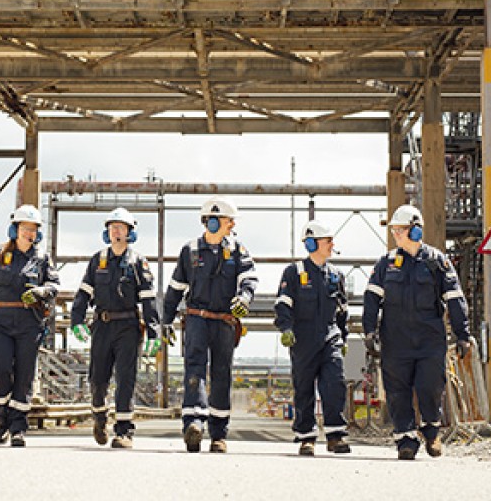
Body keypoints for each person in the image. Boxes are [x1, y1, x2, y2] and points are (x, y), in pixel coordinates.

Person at [362, 204, 472, 460]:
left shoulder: (437, 262)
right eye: (394, 230)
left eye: (400, 230)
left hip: (429, 340)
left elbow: (455, 298)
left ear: (415, 231)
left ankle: (432, 431)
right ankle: (406, 439)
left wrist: (462, 334)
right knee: (397, 391)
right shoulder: (385, 264)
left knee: (430, 385)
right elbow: (371, 299)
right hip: (395, 340)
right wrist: (369, 332)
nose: (395, 235)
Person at [162, 195, 258, 453]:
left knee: (221, 374)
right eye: (229, 221)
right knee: (194, 371)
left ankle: (218, 434)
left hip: (225, 323)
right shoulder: (190, 250)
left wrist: (244, 298)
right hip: (197, 319)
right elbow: (175, 289)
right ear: (213, 221)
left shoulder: (238, 251)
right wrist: (166, 322)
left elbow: (249, 279)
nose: (232, 226)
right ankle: (193, 424)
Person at [0, 204, 60, 447]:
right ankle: (3, 413)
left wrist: (42, 290)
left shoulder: (42, 259)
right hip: (2, 322)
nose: (29, 233)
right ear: (14, 229)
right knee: (3, 370)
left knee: (25, 376)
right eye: (25, 228)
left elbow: (54, 286)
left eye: (33, 229)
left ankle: (18, 428)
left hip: (30, 323)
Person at [71, 207, 161, 449]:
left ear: (130, 232)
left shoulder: (138, 263)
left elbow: (149, 299)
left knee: (125, 379)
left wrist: (154, 332)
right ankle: (99, 416)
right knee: (97, 379)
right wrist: (76, 320)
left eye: (121, 227)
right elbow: (83, 293)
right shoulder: (97, 260)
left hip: (128, 327)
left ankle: (124, 432)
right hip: (102, 326)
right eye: (112, 227)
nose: (116, 231)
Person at [274, 219, 350, 456]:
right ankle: (306, 437)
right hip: (303, 339)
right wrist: (286, 329)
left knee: (334, 383)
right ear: (311, 243)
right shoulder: (294, 272)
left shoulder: (336, 276)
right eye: (327, 241)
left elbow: (342, 311)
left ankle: (335, 436)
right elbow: (283, 304)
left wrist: (343, 338)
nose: (331, 245)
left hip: (330, 337)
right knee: (304, 387)